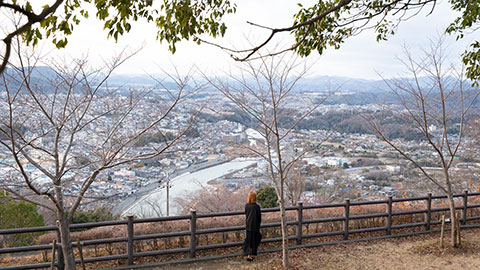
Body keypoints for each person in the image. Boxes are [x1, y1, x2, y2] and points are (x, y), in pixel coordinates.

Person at [243, 190, 262, 261]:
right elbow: (259, 217)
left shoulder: (247, 205)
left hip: (248, 225)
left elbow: (246, 214)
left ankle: (248, 254)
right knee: (255, 240)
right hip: (255, 226)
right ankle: (251, 254)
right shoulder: (257, 206)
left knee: (249, 240)